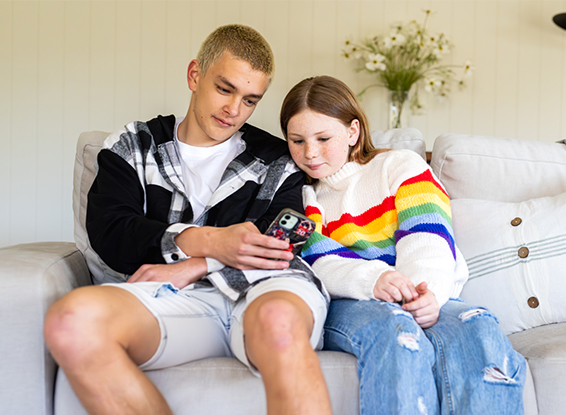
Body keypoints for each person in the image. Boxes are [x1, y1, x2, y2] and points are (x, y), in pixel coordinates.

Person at [44, 25, 332, 415]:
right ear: (195, 75)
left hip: (264, 289)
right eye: (224, 89)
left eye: (250, 100)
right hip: (171, 304)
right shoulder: (131, 146)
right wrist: (206, 240)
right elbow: (111, 232)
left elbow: (280, 243)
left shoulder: (279, 158)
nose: (234, 110)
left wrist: (199, 264)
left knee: (279, 321)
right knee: (70, 323)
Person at [280, 75, 527, 415]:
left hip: (420, 290)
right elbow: (316, 260)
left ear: (353, 132)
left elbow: (427, 234)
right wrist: (374, 281)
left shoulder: (400, 166)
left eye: (323, 138)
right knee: (395, 331)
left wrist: (428, 293)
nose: (310, 152)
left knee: (479, 327)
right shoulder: (302, 195)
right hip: (352, 301)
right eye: (297, 140)